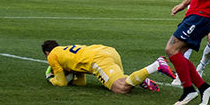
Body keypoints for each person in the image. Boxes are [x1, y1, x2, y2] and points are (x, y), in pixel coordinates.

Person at [41, 39, 169, 94]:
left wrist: (50, 79)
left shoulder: (52, 56)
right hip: (108, 51)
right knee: (123, 82)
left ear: (47, 53)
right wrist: (71, 79)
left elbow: (62, 83)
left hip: (98, 59)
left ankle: (156, 65)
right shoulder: (64, 51)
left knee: (121, 89)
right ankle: (140, 79)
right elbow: (81, 82)